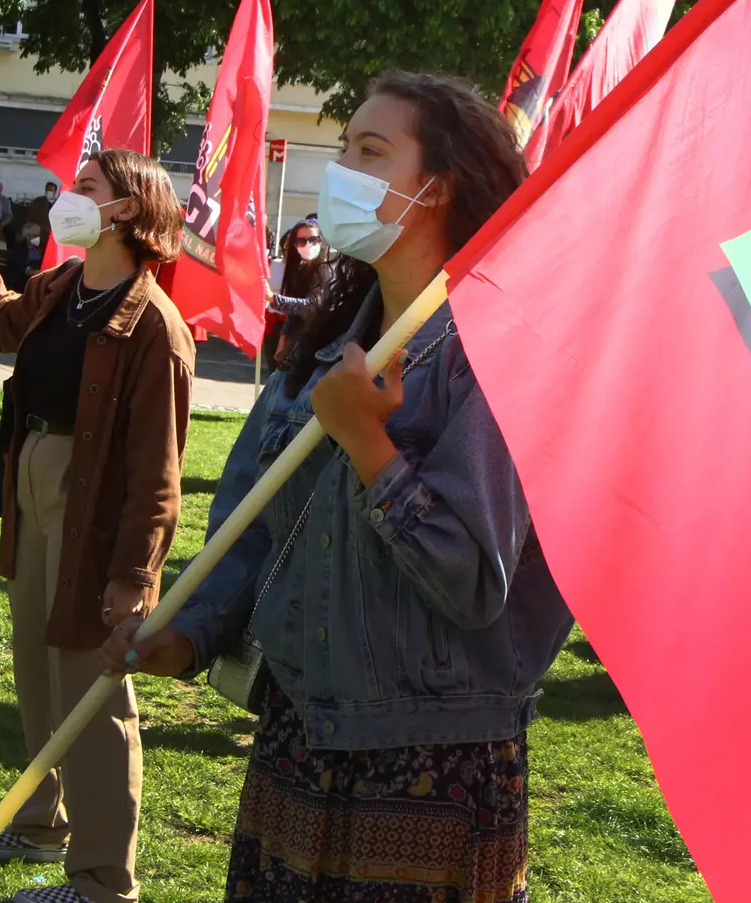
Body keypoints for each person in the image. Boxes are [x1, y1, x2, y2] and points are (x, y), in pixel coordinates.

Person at [106, 74, 573, 903]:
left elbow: (472, 581)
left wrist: (369, 444)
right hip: (301, 733)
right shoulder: (324, 345)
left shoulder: (497, 353)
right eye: (343, 146)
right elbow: (254, 530)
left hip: (431, 757)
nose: (340, 169)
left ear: (440, 186)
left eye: (370, 150)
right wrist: (190, 631)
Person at [0, 149, 194, 903]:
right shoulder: (61, 286)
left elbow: (157, 474)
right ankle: (42, 823)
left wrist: (133, 577)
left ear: (129, 211)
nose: (68, 198)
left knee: (94, 693)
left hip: (95, 510)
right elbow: (1, 325)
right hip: (33, 485)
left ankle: (103, 881)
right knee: (38, 673)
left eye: (88, 189)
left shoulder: (155, 328)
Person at [261, 217, 327, 375]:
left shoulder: (325, 268)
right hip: (298, 343)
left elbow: (311, 306)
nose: (308, 244)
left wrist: (273, 298)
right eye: (302, 241)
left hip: (320, 345)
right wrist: (283, 340)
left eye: (313, 239)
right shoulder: (300, 271)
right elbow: (294, 313)